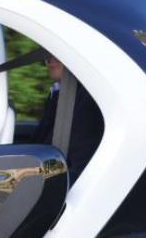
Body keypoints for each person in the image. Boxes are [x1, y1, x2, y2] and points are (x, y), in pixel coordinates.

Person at [33, 54, 104, 183]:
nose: (50, 61)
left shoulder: (89, 101)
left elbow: (79, 162)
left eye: (57, 56)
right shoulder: (59, 94)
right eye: (47, 56)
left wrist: (38, 181)